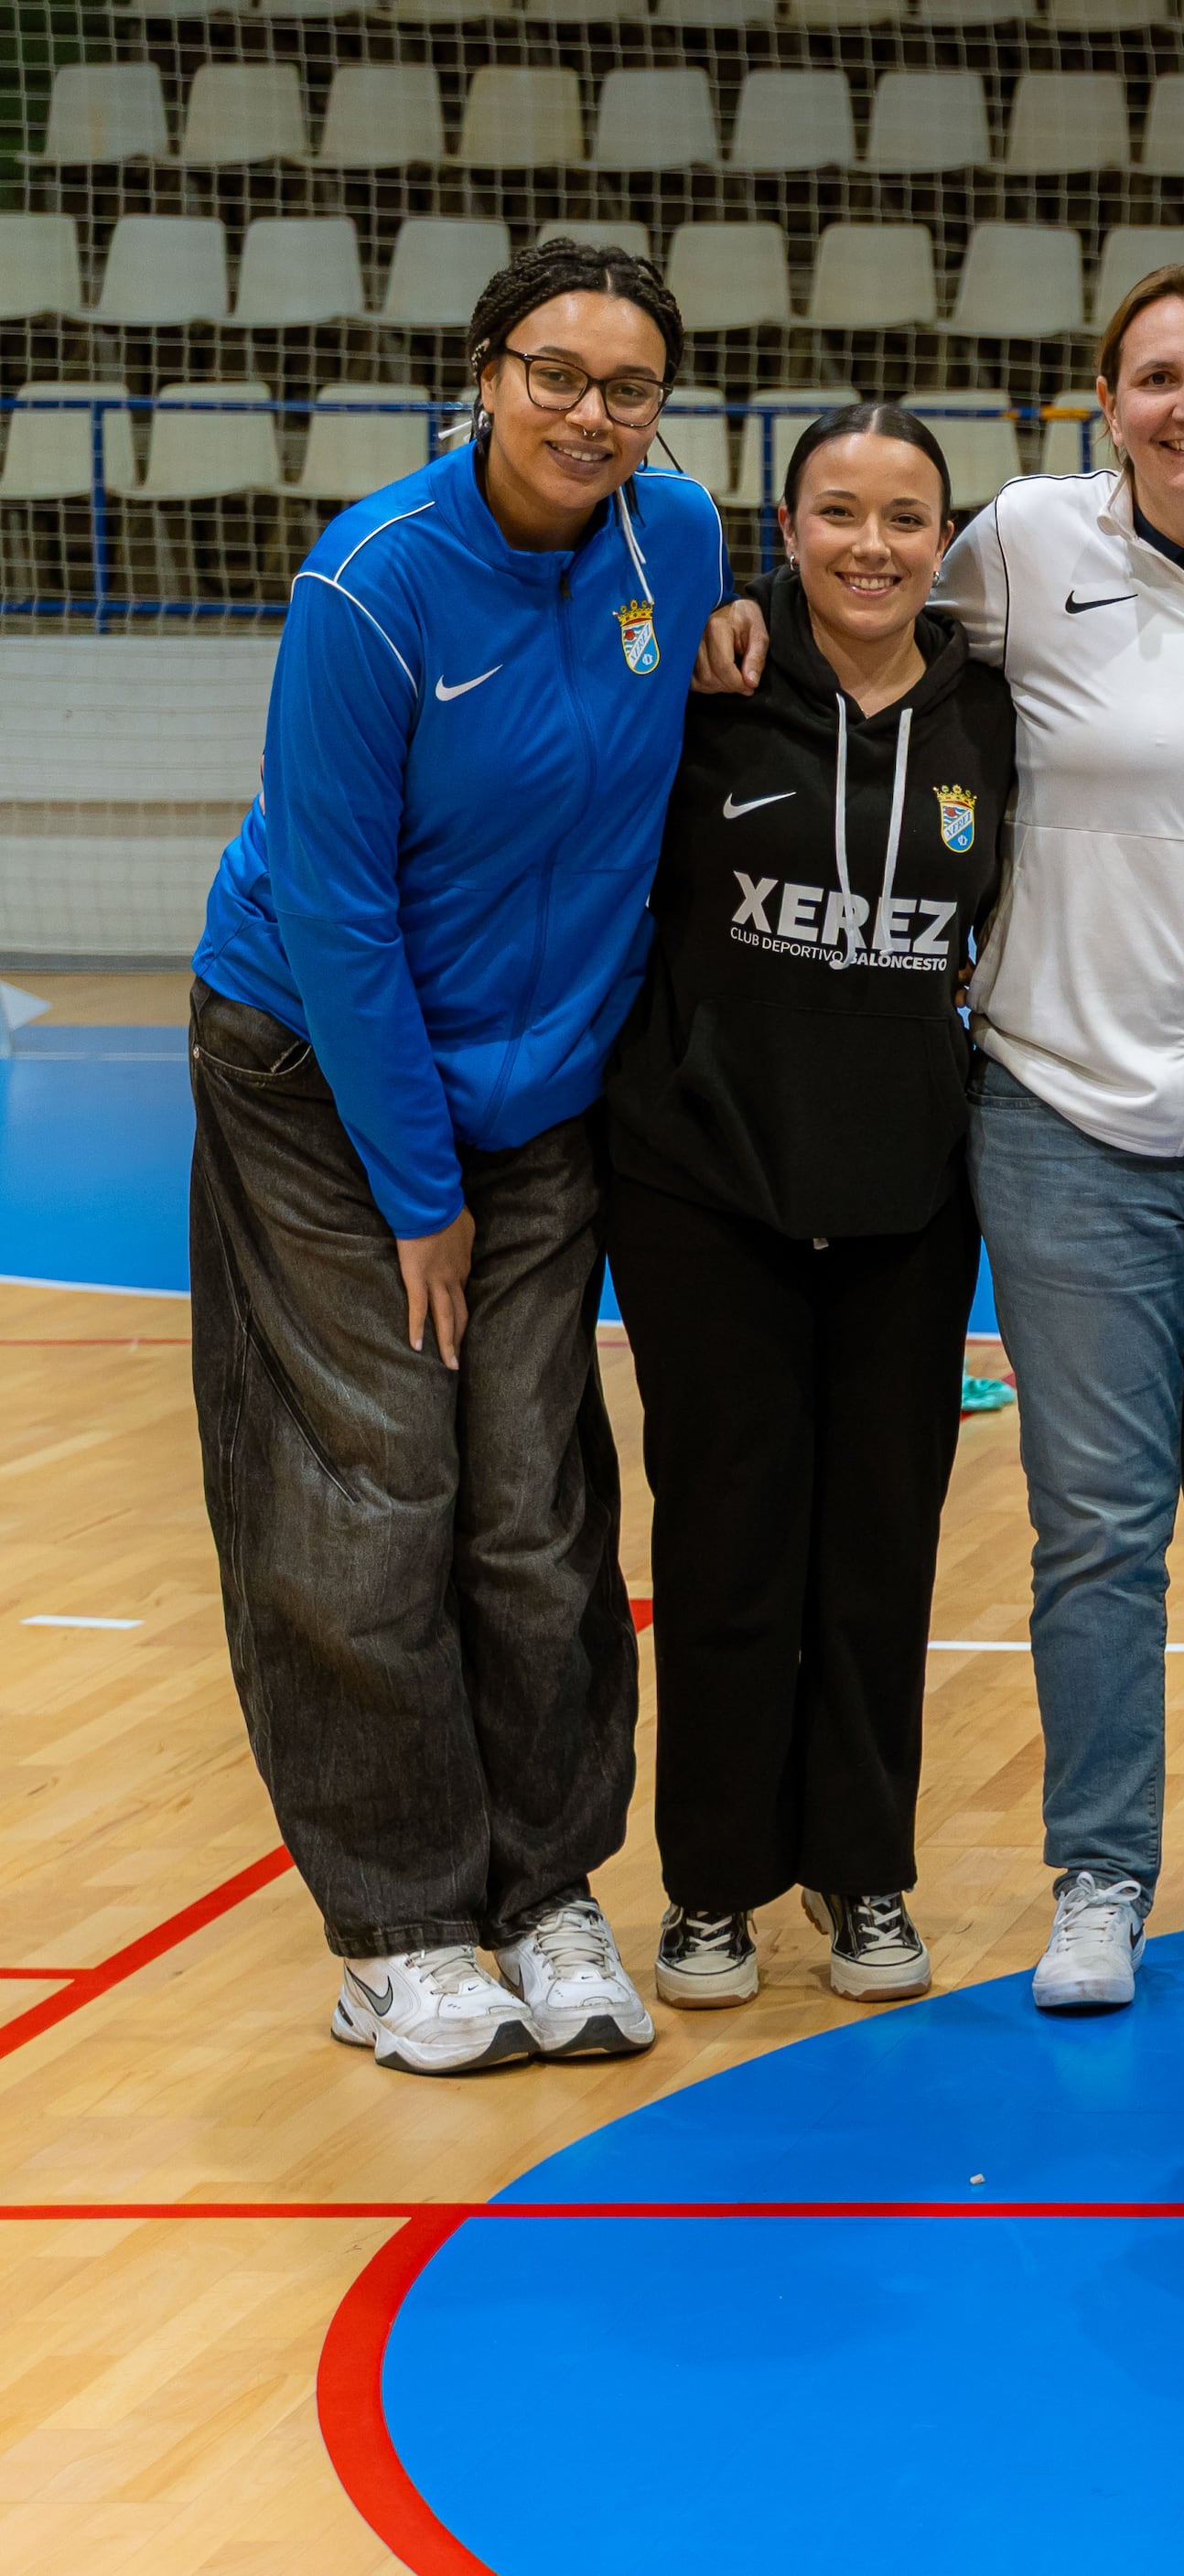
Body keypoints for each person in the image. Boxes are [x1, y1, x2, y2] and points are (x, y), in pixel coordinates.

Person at [697, 264, 1184, 2014]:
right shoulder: (1018, 545)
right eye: (1158, 377)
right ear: (1106, 399)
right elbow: (868, 604)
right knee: (1088, 1523)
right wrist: (746, 619)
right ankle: (1097, 1874)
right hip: (1064, 1114)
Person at [188, 239, 718, 2075]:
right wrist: (422, 1193)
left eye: (628, 387)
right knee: (373, 1490)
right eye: (555, 373)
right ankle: (403, 1923)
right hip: (322, 1081)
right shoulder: (376, 582)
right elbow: (337, 909)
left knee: (528, 1501)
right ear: (486, 370)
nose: (589, 413)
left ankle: (548, 1888)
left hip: (542, 1091)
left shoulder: (681, 542)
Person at [603, 404, 1017, 2011]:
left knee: (876, 1550)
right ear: (788, 523)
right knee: (722, 1542)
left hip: (911, 1191)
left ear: (943, 538)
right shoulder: (707, 687)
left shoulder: (992, 706)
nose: (870, 544)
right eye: (838, 512)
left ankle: (866, 1875)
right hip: (704, 1180)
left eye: (905, 517)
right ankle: (710, 1890)